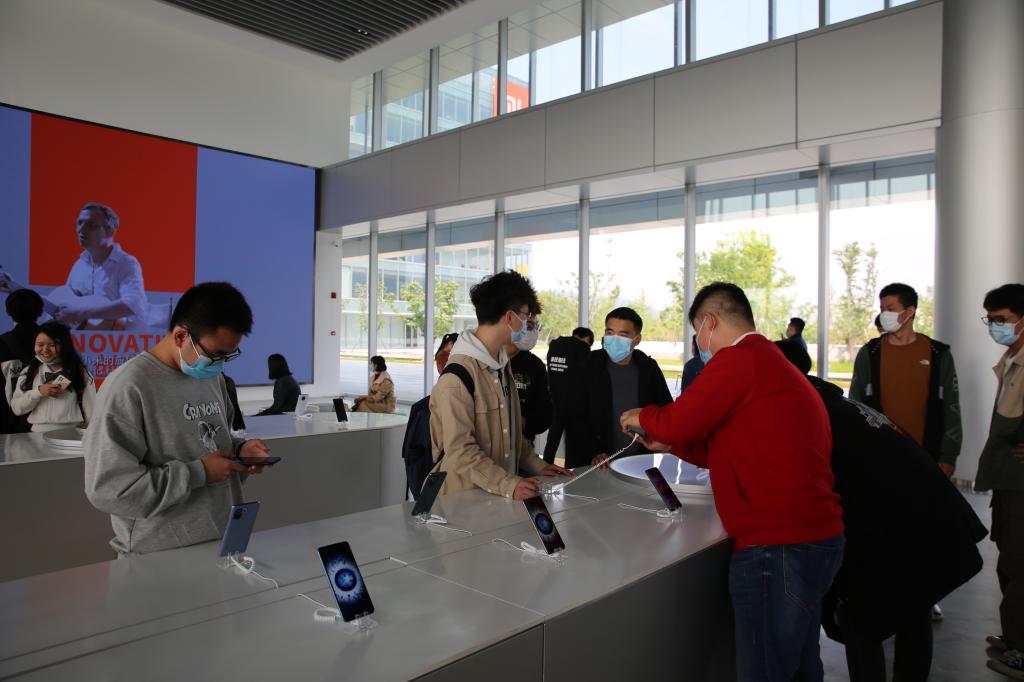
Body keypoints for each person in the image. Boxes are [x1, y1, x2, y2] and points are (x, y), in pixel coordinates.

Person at [621, 282, 844, 682]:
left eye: (697, 333)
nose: (699, 345)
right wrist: (672, 444)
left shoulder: (740, 360)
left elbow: (678, 419)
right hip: (813, 538)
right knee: (799, 665)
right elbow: (726, 449)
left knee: (764, 669)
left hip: (777, 546)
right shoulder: (771, 363)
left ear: (709, 323)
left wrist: (642, 417)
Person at [774, 340, 987, 682]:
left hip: (897, 519)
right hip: (925, 513)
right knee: (913, 606)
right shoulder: (834, 403)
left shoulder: (805, 411)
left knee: (861, 617)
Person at [83, 282, 271, 555]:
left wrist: (240, 450)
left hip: (224, 538)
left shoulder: (211, 377)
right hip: (160, 552)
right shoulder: (129, 387)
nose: (220, 364)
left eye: (228, 356)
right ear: (182, 335)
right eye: (216, 354)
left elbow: (206, 440)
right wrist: (198, 473)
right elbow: (110, 490)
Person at [429, 270, 572, 499]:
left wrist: (538, 465)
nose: (526, 324)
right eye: (525, 316)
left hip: (497, 498)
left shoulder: (500, 365)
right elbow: (460, 451)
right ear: (510, 317)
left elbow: (511, 435)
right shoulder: (457, 377)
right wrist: (508, 485)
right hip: (463, 502)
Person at [850, 283, 962, 480]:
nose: (884, 314)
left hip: (926, 453)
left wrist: (948, 455)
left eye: (890, 308)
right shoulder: (870, 353)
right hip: (880, 452)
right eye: (882, 308)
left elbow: (951, 405)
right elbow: (855, 403)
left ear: (910, 312)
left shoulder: (938, 354)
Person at [976, 284, 1024, 679]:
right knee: (1008, 558)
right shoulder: (1012, 358)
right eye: (990, 319)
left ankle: (1021, 650)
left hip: (1020, 483)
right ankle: (1014, 637)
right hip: (1007, 479)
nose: (995, 326)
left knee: (1020, 563)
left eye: (1002, 319)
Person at [1, 203, 148, 330]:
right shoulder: (79, 265)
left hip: (123, 345)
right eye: (79, 223)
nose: (81, 230)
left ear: (110, 230)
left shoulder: (126, 263)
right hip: (89, 344)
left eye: (91, 225)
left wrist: (79, 313)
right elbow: (62, 306)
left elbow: (133, 304)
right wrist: (16, 290)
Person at [565, 307, 672, 469]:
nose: (614, 339)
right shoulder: (587, 366)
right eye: (610, 333)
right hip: (594, 464)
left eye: (622, 335)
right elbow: (573, 415)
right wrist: (593, 451)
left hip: (638, 463)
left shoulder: (648, 369)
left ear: (636, 339)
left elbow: (665, 409)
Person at [10, 322, 96, 432]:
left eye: (52, 345)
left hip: (71, 434)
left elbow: (92, 410)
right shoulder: (30, 372)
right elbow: (17, 409)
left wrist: (90, 428)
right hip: (37, 434)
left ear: (64, 345)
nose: (45, 349)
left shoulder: (79, 372)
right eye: (40, 345)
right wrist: (38, 392)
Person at [543, 326, 593, 463]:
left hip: (557, 402)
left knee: (553, 442)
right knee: (571, 445)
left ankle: (546, 467)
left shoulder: (556, 347)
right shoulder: (579, 350)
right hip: (572, 406)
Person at [504, 313, 552, 446]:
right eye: (529, 326)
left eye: (536, 327)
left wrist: (523, 422)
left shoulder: (535, 365)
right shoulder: (488, 360)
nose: (532, 332)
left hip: (523, 444)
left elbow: (545, 415)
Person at [0, 289, 44, 434]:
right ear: (40, 312)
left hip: (10, 424)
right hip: (48, 423)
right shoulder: (56, 343)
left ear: (7, 312)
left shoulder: (2, 344)